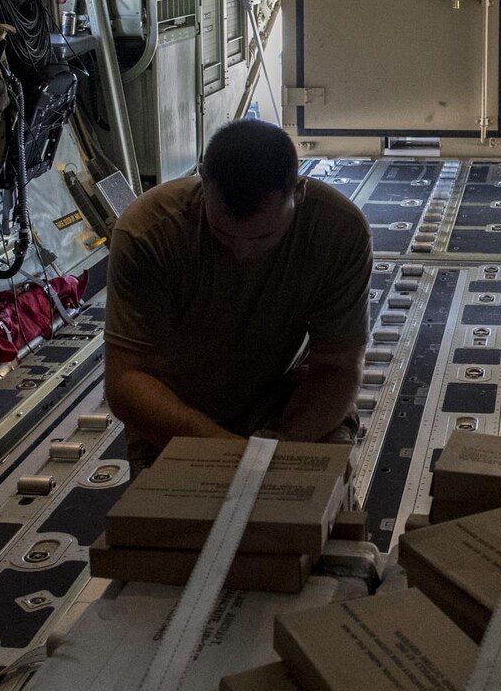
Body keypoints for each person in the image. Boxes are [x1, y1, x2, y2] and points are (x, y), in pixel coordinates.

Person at [105, 119, 371, 464]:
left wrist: (281, 448)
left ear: (299, 193)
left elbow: (338, 365)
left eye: (262, 238)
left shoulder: (338, 232)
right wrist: (228, 451)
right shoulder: (147, 233)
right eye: (224, 235)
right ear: (203, 183)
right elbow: (127, 381)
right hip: (176, 408)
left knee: (310, 492)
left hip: (281, 395)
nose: (242, 252)